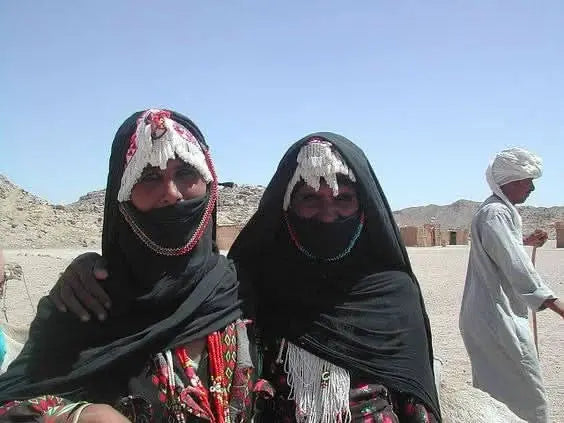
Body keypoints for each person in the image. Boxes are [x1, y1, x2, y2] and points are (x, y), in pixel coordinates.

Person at [48, 134, 441, 422]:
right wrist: (92, 265)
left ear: (364, 208)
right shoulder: (249, 280)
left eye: (343, 200)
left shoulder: (393, 292)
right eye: (309, 199)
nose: (327, 215)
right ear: (286, 207)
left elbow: (416, 402)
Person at [0, 109, 253, 423]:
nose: (171, 194)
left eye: (186, 173)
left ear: (210, 184)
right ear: (123, 198)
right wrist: (76, 416)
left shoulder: (239, 285)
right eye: (149, 177)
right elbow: (9, 402)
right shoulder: (83, 302)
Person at [459, 147, 564, 423]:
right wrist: (558, 307)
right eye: (527, 180)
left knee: (496, 394)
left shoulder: (498, 212)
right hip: (496, 318)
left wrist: (526, 241)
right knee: (528, 394)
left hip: (488, 316)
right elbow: (518, 268)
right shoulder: (495, 213)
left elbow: (502, 249)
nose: (531, 188)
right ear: (511, 180)